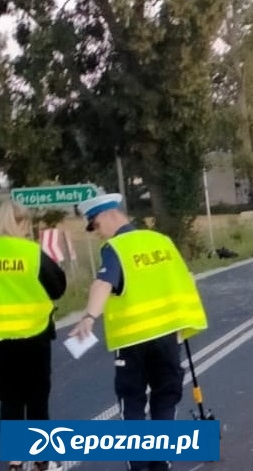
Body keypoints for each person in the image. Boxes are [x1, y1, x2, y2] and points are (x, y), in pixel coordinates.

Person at [69, 193, 209, 471]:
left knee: (132, 403)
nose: (97, 233)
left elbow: (103, 283)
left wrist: (89, 316)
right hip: (168, 337)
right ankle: (160, 462)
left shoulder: (116, 247)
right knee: (165, 398)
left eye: (95, 225)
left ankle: (139, 465)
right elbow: (183, 280)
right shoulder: (162, 241)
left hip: (133, 341)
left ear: (110, 215)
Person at [0, 201, 67, 471]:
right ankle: (42, 460)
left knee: (10, 399)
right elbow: (58, 286)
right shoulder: (31, 253)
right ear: (21, 223)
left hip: (2, 339)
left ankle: (15, 460)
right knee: (37, 400)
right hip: (35, 337)